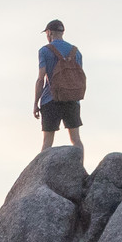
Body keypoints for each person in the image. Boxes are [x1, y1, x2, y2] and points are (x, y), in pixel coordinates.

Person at [34, 19, 86, 151]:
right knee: (76, 139)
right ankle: (80, 168)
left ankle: (42, 171)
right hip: (72, 99)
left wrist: (35, 103)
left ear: (49, 32)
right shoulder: (76, 52)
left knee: (47, 142)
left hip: (50, 99)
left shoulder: (45, 51)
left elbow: (41, 79)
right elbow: (78, 77)